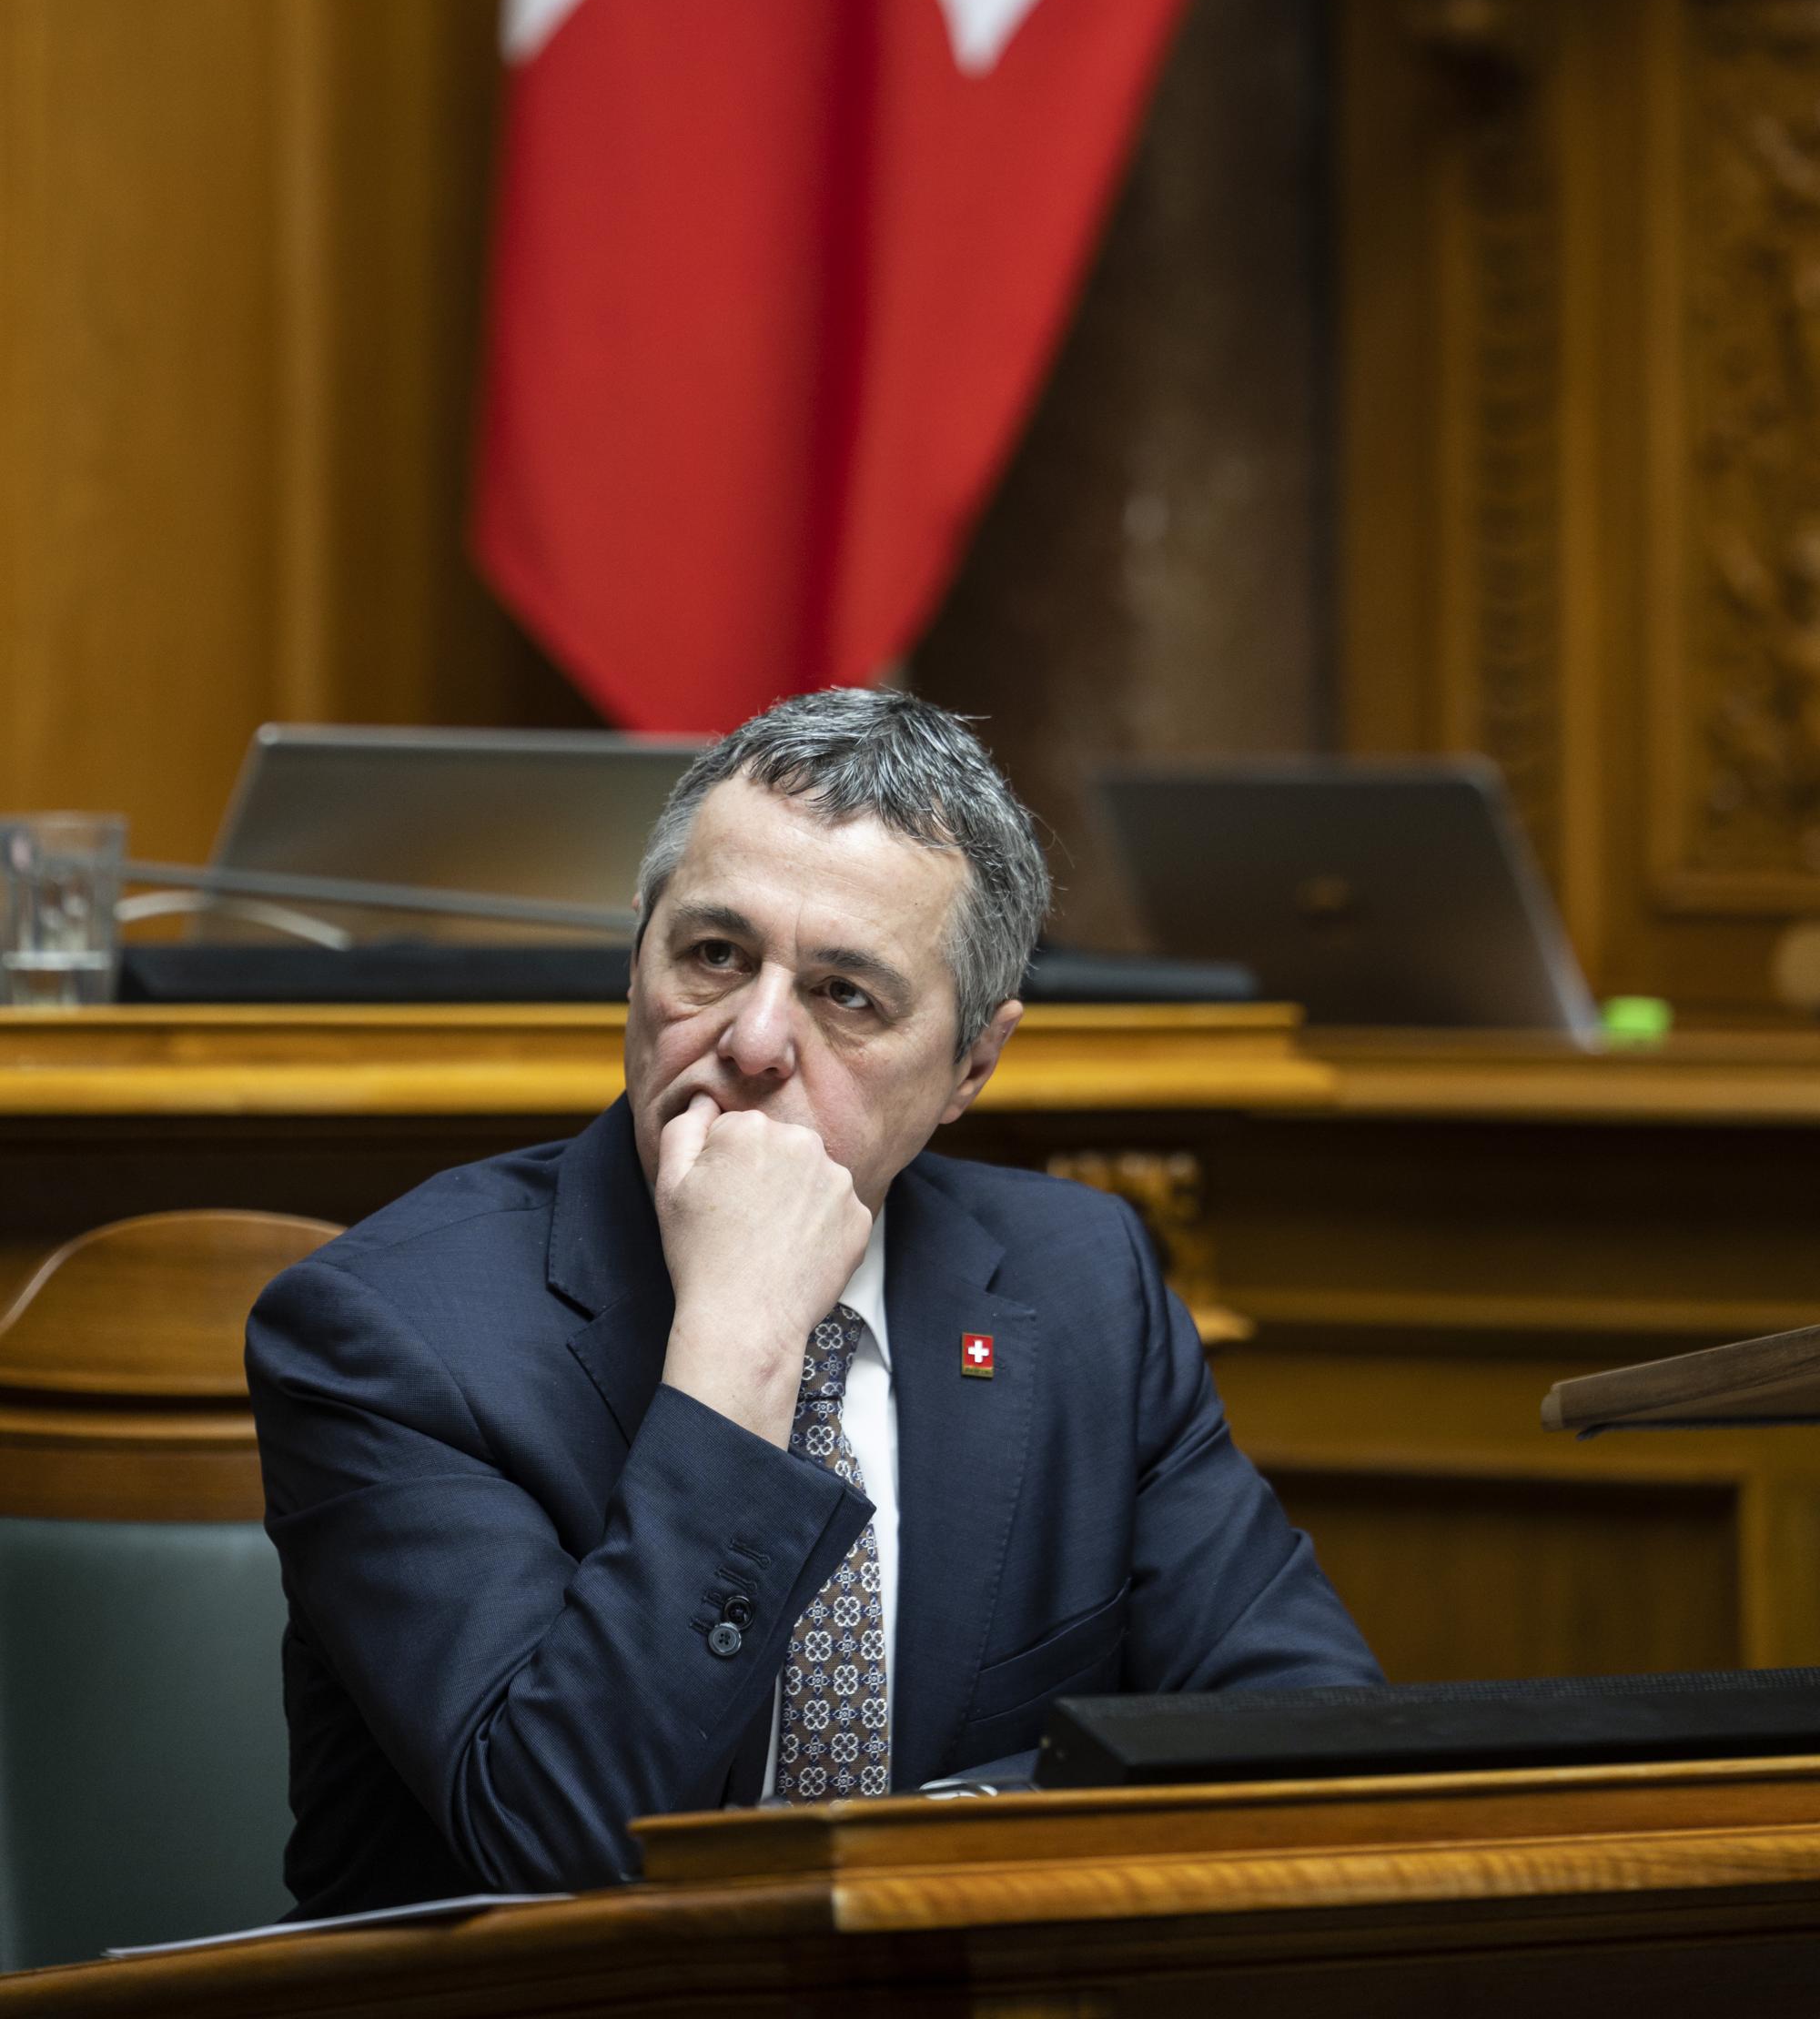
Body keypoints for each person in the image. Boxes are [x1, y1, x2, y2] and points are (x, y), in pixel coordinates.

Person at [248, 689, 1377, 1913]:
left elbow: (1300, 1732)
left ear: (973, 1065)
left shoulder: (1081, 1285)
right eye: (715, 956)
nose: (755, 1040)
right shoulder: (388, 1332)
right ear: (638, 952)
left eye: (848, 994)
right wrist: (740, 1340)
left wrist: (929, 1839)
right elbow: (565, 1843)